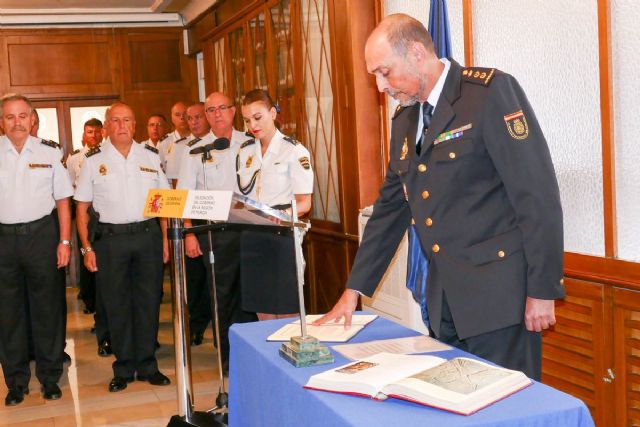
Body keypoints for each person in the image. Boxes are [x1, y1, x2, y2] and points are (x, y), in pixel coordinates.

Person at [315, 14, 564, 381]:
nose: (381, 86)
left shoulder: (487, 94)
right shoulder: (404, 120)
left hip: (500, 298)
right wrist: (352, 291)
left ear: (417, 53)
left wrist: (543, 290)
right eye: (375, 77)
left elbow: (536, 194)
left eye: (385, 72)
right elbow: (389, 210)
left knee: (503, 411)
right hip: (445, 300)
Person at [75, 102, 171, 392]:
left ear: (134, 125)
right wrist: (87, 248)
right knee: (116, 304)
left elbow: (163, 202)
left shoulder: (151, 157)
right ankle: (123, 367)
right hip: (110, 240)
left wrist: (166, 240)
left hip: (147, 236)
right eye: (115, 120)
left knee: (148, 301)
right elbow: (82, 209)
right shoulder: (93, 160)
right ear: (107, 126)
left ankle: (147, 364)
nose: (121, 126)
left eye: (127, 120)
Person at [0, 93, 73, 405]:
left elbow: (63, 201)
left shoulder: (49, 154)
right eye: (9, 117)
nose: (17, 122)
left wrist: (65, 242)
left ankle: (49, 377)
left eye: (22, 116)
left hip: (42, 236)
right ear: (2, 122)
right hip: (3, 240)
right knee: (8, 313)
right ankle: (16, 382)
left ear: (32, 119)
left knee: (47, 311)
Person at [177, 92, 256, 368]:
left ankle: (250, 356)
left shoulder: (251, 143)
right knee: (222, 294)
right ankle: (228, 358)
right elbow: (185, 192)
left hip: (250, 228)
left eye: (222, 108)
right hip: (214, 230)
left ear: (234, 111)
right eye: (211, 110)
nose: (217, 114)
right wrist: (188, 232)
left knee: (250, 293)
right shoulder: (197, 150)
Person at [237, 89, 314, 320]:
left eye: (258, 117)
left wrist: (281, 214)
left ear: (273, 113)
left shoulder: (293, 150)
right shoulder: (245, 151)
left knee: (287, 309)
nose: (253, 125)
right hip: (252, 233)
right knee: (261, 307)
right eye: (247, 120)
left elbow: (305, 203)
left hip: (281, 233)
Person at [66, 118, 111, 357]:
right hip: (84, 216)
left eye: (96, 131)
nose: (93, 135)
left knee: (105, 271)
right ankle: (89, 299)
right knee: (87, 258)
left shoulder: (107, 154)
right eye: (89, 131)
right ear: (83, 135)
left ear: (103, 133)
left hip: (104, 218)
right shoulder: (75, 158)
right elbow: (71, 188)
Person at [164, 101, 193, 187]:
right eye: (177, 114)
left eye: (185, 114)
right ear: (172, 118)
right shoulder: (164, 143)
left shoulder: (200, 140)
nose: (182, 118)